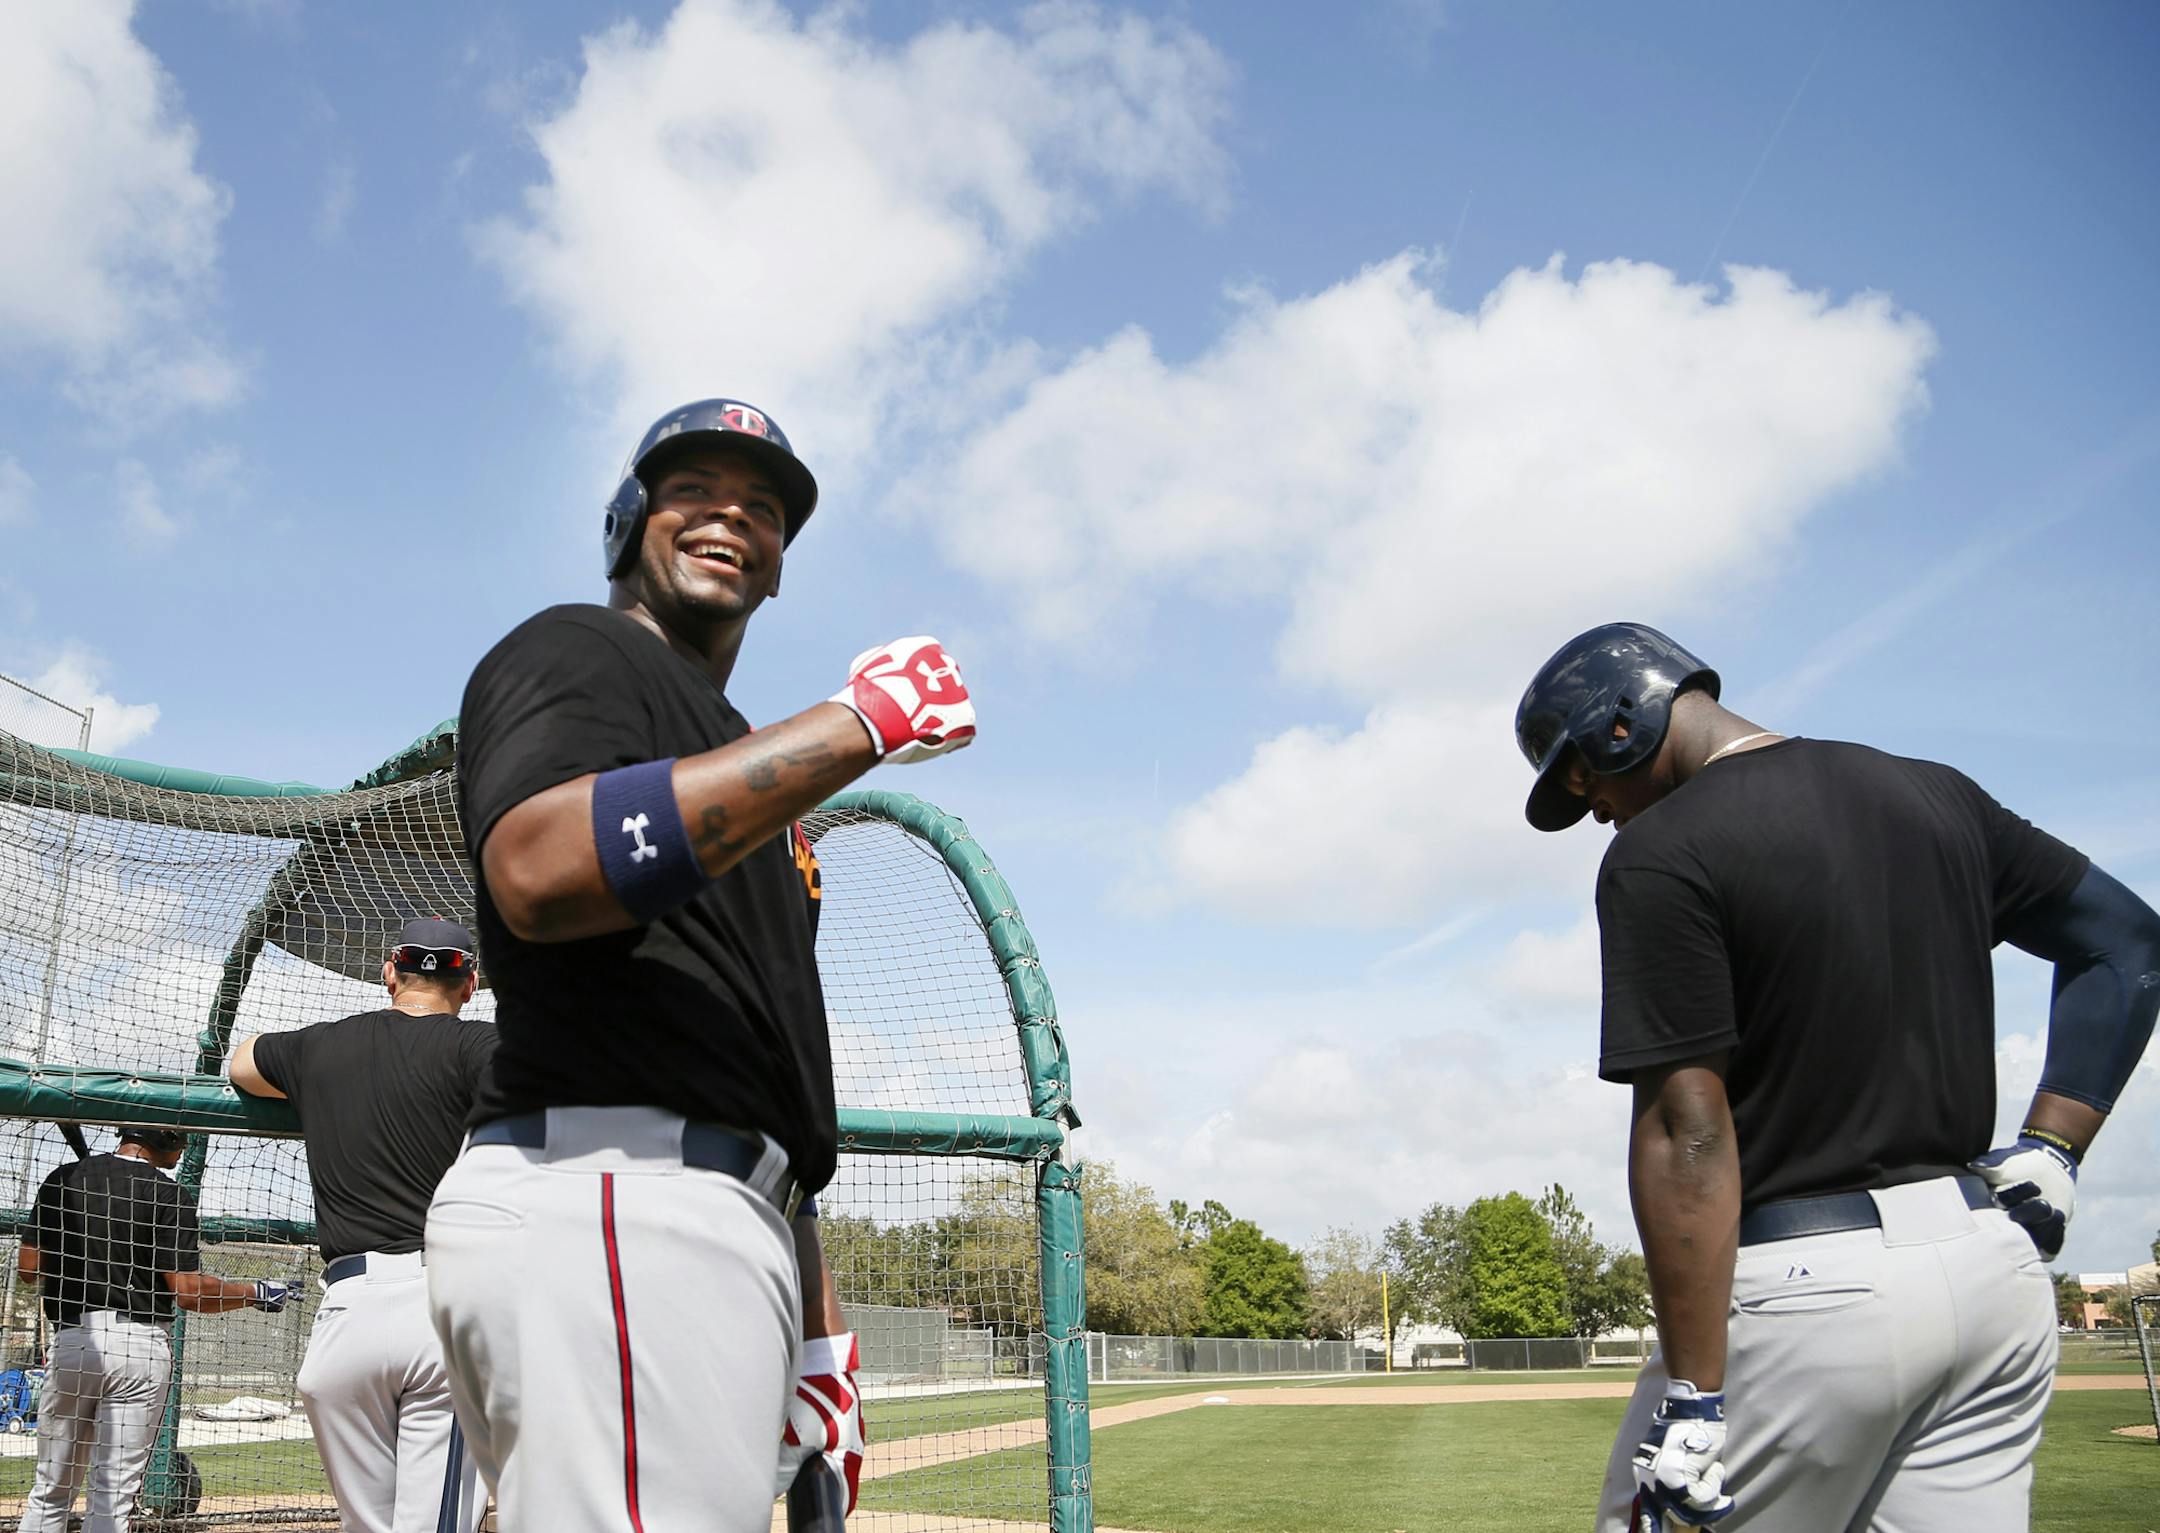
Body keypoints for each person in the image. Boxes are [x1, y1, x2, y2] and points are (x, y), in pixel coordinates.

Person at [427, 398, 975, 1531]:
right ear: (630, 519)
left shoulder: (744, 767)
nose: (733, 515)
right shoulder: (579, 647)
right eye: (695, 491)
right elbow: (537, 867)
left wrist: (820, 1337)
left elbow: (762, 1069)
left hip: (713, 1214)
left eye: (763, 508)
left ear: (778, 565)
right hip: (614, 1191)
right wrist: (858, 723)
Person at [1514, 621, 2160, 1532]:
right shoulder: (1938, 793)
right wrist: (2055, 1145)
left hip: (1810, 1295)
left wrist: (1695, 1392)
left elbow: (1685, 1129)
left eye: (1587, 781)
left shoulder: (1661, 849)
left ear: (1623, 724)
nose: (1599, 813)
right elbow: (2126, 941)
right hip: (1993, 1280)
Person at [228, 917, 497, 1533]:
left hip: (344, 1319)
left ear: (389, 974)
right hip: (442, 1308)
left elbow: (242, 1062)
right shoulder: (482, 1046)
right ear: (470, 983)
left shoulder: (319, 1045)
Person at [15, 1127, 296, 1533]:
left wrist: (84, 1243)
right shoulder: (168, 1193)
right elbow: (189, 1292)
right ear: (166, 1141)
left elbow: (28, 1269)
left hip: (74, 1341)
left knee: (50, 1492)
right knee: (111, 1499)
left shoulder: (64, 1179)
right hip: (139, 1348)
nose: (183, 1151)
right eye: (181, 1141)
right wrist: (256, 1292)